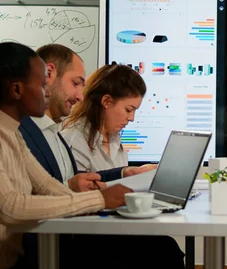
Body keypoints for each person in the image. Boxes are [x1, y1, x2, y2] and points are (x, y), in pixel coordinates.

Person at [17, 44, 184, 268]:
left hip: (72, 234)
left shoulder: (53, 133)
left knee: (163, 248)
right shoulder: (28, 133)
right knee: (162, 251)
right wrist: (91, 195)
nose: (79, 95)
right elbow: (24, 201)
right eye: (75, 83)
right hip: (61, 243)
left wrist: (123, 173)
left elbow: (57, 185)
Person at [0, 42, 130, 269]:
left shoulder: (13, 134)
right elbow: (10, 207)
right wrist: (98, 200)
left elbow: (48, 186)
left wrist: (104, 200)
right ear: (17, 90)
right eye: (41, 86)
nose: (46, 92)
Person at [61, 63, 156, 174]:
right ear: (106, 101)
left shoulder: (114, 140)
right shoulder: (73, 141)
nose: (131, 118)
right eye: (128, 110)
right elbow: (80, 188)